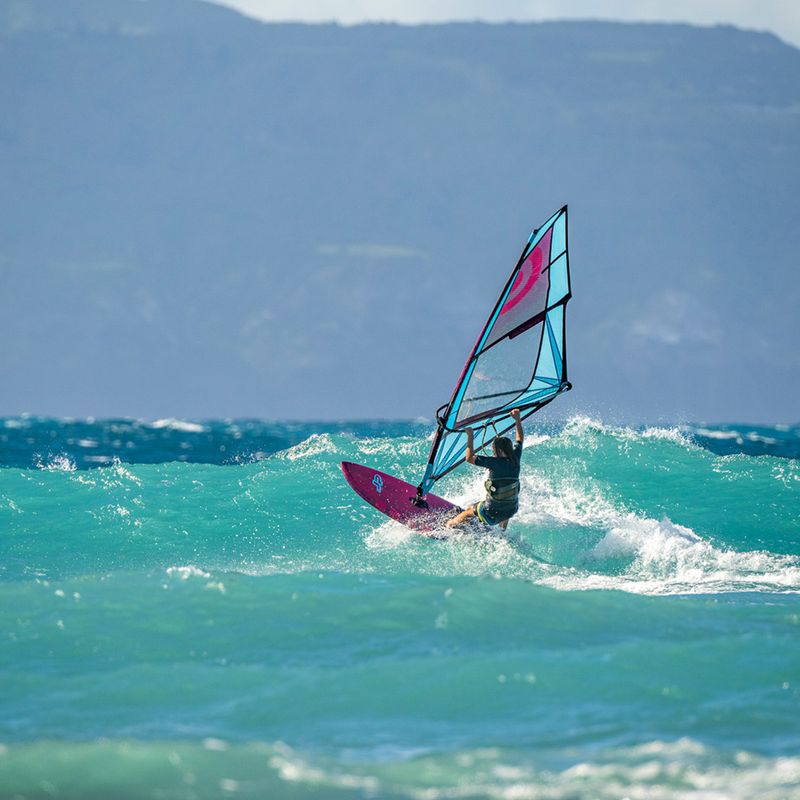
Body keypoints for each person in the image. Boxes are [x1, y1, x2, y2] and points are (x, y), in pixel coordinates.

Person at [445, 408, 524, 531]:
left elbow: (469, 458)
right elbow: (519, 440)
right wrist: (518, 420)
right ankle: (502, 531)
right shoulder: (516, 458)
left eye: (494, 450)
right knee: (506, 500)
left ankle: (449, 525)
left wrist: (470, 436)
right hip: (511, 511)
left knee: (469, 510)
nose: (493, 452)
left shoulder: (493, 463)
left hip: (490, 514)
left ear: (500, 451)